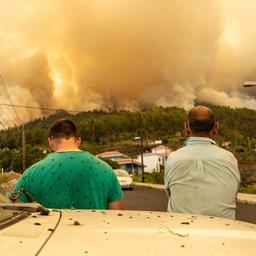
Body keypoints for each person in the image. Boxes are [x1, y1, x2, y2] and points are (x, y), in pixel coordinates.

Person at [14, 119, 124, 210]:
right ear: (78, 141)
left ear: (50, 141)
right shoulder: (106, 170)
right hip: (95, 236)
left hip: (48, 235)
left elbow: (14, 212)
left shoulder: (30, 174)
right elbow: (117, 216)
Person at [164, 106, 240, 219]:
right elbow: (233, 197)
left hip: (180, 230)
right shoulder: (229, 158)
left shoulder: (173, 158)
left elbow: (170, 194)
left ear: (187, 128)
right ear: (215, 128)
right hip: (223, 231)